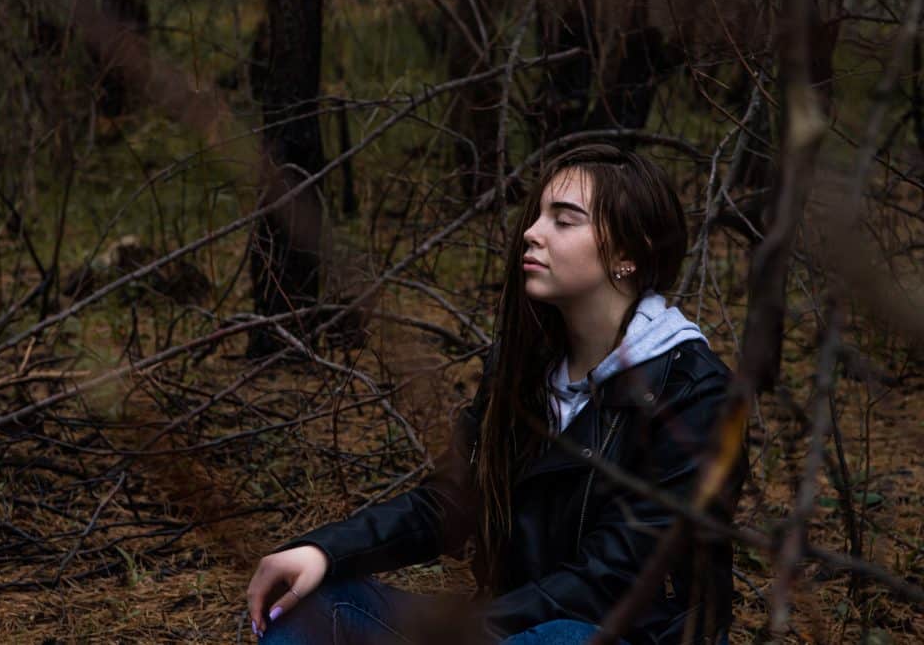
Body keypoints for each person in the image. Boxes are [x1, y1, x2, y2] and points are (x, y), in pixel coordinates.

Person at [245, 144, 748, 645]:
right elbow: (448, 503)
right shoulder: (525, 368)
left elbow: (614, 581)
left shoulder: (693, 394)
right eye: (537, 216)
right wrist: (326, 551)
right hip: (507, 629)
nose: (531, 232)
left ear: (627, 254)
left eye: (564, 220)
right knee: (315, 606)